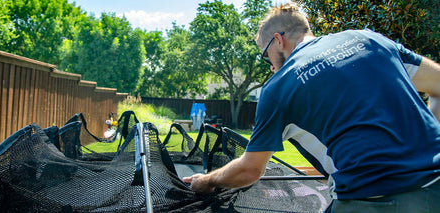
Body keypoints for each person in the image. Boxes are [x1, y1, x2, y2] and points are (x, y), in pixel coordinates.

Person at [182, 3, 440, 212]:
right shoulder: (370, 39)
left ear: (278, 40)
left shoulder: (279, 86)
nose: (270, 66)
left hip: (371, 197)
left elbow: (250, 170)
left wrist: (207, 180)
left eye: (265, 55)